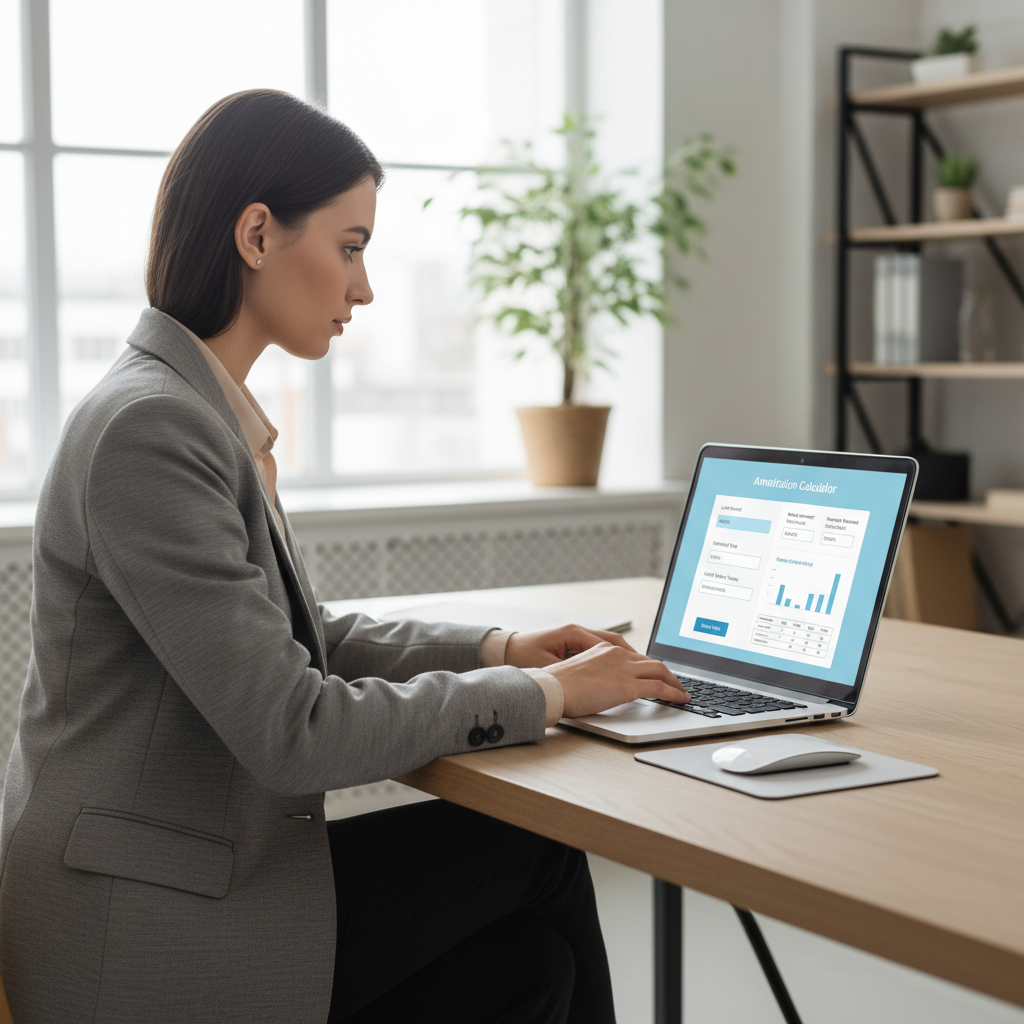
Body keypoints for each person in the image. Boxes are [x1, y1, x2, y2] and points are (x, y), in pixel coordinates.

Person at [0, 90, 689, 1024]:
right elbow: (295, 729)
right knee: (536, 862)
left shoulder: (187, 408)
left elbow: (305, 638)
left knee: (529, 965)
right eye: (352, 247)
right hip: (141, 921)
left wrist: (499, 651)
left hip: (193, 872)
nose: (363, 289)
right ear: (256, 234)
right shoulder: (151, 431)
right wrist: (554, 698)